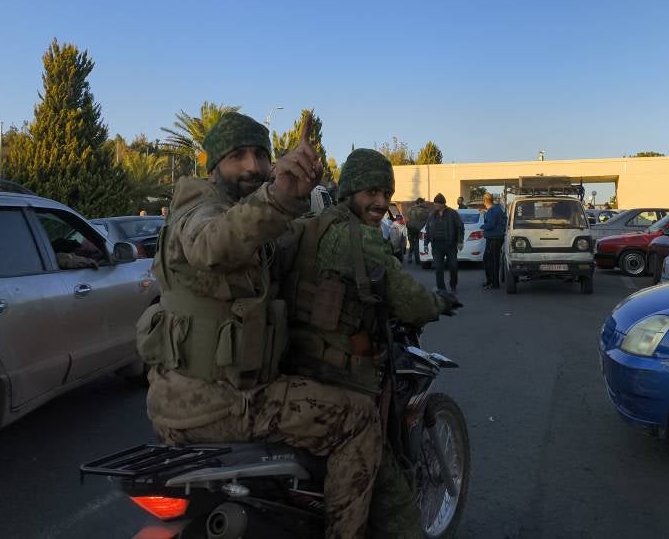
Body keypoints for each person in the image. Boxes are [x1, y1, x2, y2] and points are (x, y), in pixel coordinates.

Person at [136, 112, 382, 539]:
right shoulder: (199, 210)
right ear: (212, 165)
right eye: (237, 156)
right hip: (218, 403)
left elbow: (283, 247)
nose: (252, 166)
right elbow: (214, 244)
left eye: (260, 155)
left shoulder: (241, 214)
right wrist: (280, 193)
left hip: (181, 399)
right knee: (358, 418)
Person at [279, 148, 460, 539]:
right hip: (340, 382)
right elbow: (408, 298)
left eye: (386, 192)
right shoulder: (357, 239)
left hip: (297, 369)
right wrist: (436, 304)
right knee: (398, 508)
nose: (380, 201)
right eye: (370, 191)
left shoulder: (311, 226)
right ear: (349, 191)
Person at [424, 193, 464, 293]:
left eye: (436, 204)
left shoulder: (452, 213)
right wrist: (425, 243)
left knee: (453, 267)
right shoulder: (432, 215)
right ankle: (441, 288)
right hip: (436, 245)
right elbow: (428, 229)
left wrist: (459, 241)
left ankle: (453, 285)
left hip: (450, 245)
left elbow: (460, 227)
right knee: (438, 268)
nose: (435, 206)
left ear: (442, 204)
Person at [481, 192, 506, 289]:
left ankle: (493, 283)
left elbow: (491, 224)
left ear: (485, 201)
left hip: (493, 238)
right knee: (492, 261)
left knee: (490, 261)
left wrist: (482, 226)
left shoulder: (492, 211)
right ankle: (491, 281)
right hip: (496, 238)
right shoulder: (496, 209)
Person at [405, 197, 430, 266]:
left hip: (411, 228)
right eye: (423, 202)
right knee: (421, 243)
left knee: (412, 243)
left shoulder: (411, 209)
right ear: (420, 202)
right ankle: (419, 257)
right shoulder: (425, 210)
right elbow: (428, 219)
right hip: (420, 229)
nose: (424, 203)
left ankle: (410, 256)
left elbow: (408, 217)